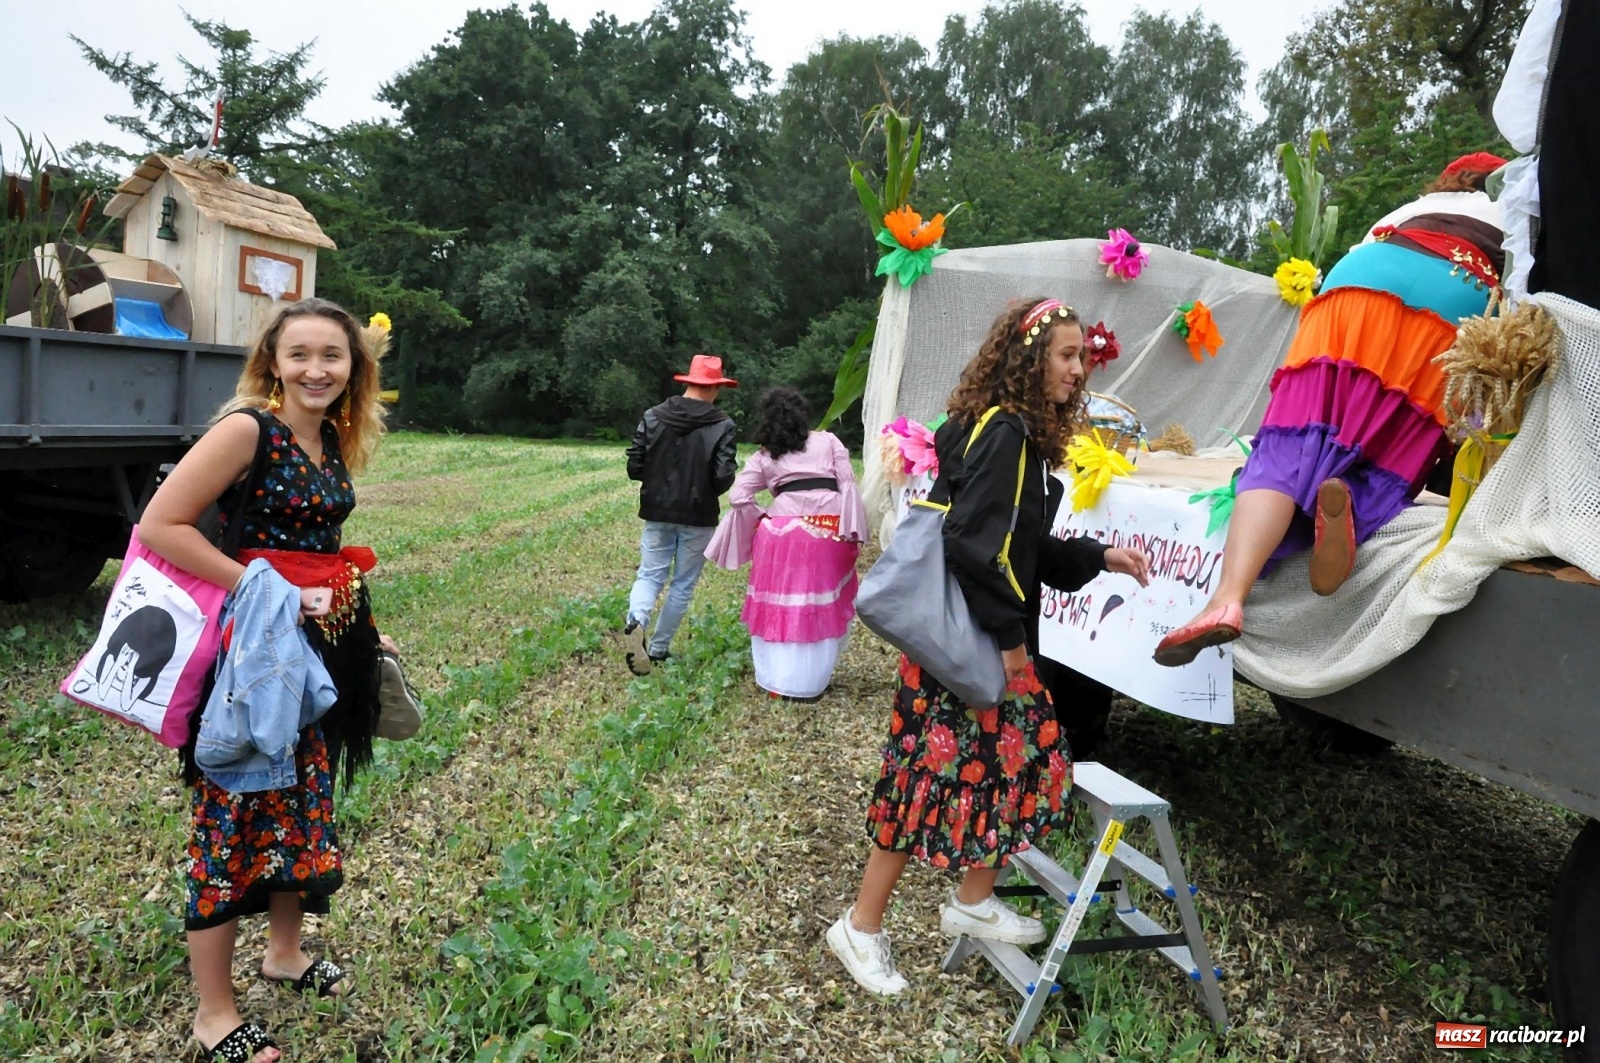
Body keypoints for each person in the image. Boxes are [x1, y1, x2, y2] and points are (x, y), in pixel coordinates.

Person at [827, 298, 1152, 995]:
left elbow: (1021, 547)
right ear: (1030, 358)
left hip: (958, 641)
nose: (1079, 369)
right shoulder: (1006, 433)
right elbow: (975, 547)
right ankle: (863, 926)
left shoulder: (991, 425)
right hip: (973, 643)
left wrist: (1100, 556)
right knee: (980, 771)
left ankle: (970, 900)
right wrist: (1011, 647)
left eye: (1081, 357)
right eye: (1066, 355)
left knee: (1001, 767)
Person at [139, 298, 395, 1063]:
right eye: (300, 354)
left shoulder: (330, 436)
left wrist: (361, 626)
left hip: (316, 651)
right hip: (254, 657)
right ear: (273, 363)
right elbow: (160, 525)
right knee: (234, 817)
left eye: (333, 355)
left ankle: (284, 953)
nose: (317, 369)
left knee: (302, 804)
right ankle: (213, 1013)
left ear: (354, 367)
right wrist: (263, 586)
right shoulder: (249, 430)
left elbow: (322, 546)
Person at [1154, 155, 1507, 667]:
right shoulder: (1510, 211)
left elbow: (1364, 246)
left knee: (1287, 444)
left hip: (1357, 279)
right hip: (1456, 288)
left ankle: (1226, 599)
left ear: (1449, 180)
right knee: (1390, 443)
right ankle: (1353, 503)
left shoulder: (1411, 210)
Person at [705, 386, 868, 700]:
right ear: (803, 413)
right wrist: (854, 530)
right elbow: (848, 484)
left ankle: (778, 682)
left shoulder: (764, 455)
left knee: (779, 604)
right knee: (819, 604)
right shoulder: (829, 441)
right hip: (826, 531)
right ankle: (811, 684)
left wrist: (765, 518)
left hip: (779, 533)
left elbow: (738, 496)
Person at [622, 354, 739, 675]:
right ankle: (658, 650)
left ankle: (637, 620)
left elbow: (634, 466)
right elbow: (723, 476)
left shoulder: (653, 415)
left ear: (690, 381)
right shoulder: (723, 424)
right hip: (699, 515)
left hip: (657, 509)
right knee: (683, 584)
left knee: (649, 575)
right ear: (713, 387)